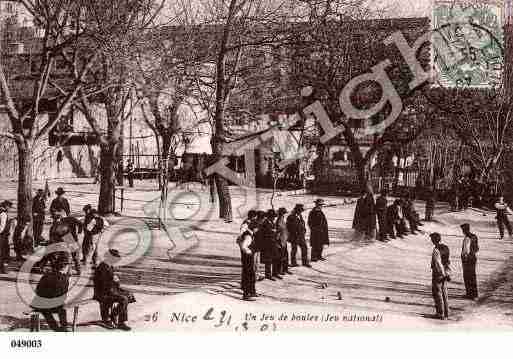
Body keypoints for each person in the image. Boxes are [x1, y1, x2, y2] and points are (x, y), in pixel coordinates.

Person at [93, 249, 134, 330]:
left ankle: (121, 322)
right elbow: (103, 285)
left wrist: (116, 281)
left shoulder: (109, 266)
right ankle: (114, 316)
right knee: (123, 299)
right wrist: (113, 280)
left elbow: (114, 283)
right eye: (115, 258)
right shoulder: (102, 267)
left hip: (110, 290)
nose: (116, 261)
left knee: (129, 295)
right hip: (102, 293)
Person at [31, 254, 70, 331]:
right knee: (62, 309)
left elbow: (38, 290)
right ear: (65, 267)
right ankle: (64, 327)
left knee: (46, 311)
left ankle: (55, 328)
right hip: (55, 304)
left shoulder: (47, 275)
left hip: (42, 303)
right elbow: (64, 294)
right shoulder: (65, 278)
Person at [430, 232, 450, 320]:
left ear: (433, 240)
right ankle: (446, 312)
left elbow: (438, 263)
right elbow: (448, 261)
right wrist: (447, 273)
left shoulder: (436, 250)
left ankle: (440, 313)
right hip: (445, 271)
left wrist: (441, 273)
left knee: (437, 293)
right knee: (444, 293)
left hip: (438, 273)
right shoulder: (446, 248)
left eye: (431, 239)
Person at [258, 209, 282, 280]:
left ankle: (275, 273)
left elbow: (273, 231)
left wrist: (276, 233)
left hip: (273, 243)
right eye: (272, 216)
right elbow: (264, 234)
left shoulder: (272, 223)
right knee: (268, 260)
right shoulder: (265, 223)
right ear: (269, 217)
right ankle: (268, 275)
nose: (274, 218)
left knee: (276, 258)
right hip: (267, 244)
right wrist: (273, 233)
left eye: (274, 217)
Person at [237, 219, 257, 301]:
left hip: (247, 257)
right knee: (248, 274)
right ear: (254, 228)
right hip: (247, 257)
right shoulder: (248, 236)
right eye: (257, 228)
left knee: (250, 274)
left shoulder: (249, 234)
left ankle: (250, 292)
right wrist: (249, 251)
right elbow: (243, 246)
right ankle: (246, 294)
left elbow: (238, 241)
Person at [460, 223, 479, 299]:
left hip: (467, 259)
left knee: (467, 276)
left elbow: (465, 250)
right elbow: (477, 248)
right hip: (473, 258)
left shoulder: (467, 238)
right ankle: (474, 294)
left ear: (464, 230)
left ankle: (469, 294)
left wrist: (464, 257)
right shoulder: (474, 236)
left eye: (462, 230)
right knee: (472, 276)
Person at [276, 207, 292, 275]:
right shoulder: (279, 220)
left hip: (284, 240)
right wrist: (279, 241)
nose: (284, 214)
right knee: (281, 256)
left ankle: (285, 269)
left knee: (285, 255)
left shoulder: (282, 219)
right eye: (283, 213)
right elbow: (279, 231)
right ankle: (280, 270)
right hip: (281, 241)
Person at [0, 200, 13, 273]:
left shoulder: (1, 212)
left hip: (3, 235)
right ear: (6, 206)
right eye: (9, 207)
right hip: (2, 236)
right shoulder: (3, 214)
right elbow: (2, 227)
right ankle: (1, 268)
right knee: (2, 253)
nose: (10, 209)